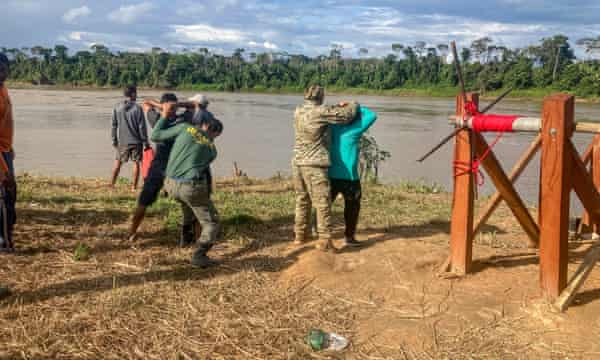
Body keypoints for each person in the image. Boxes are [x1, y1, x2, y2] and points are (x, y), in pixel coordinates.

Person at [127, 94, 216, 244]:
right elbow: (196, 106)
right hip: (180, 168)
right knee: (193, 203)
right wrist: (178, 104)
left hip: (159, 166)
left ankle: (132, 233)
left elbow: (146, 103)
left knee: (144, 201)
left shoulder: (156, 119)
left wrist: (164, 108)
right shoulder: (186, 120)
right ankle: (194, 238)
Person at [151, 99, 223, 267]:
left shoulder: (186, 128)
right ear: (215, 134)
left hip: (169, 184)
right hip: (188, 186)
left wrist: (164, 115)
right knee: (212, 222)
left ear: (204, 125)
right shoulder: (212, 150)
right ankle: (199, 255)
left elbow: (155, 136)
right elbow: (201, 169)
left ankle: (186, 240)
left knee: (187, 206)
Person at [293, 85, 358, 251]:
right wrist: (353, 104)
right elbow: (346, 116)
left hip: (298, 162)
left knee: (302, 200)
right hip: (314, 164)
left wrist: (334, 108)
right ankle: (325, 241)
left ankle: (300, 235)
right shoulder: (320, 111)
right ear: (321, 97)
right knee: (322, 203)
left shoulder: (298, 111)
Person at [329, 105, 378, 247]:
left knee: (324, 206)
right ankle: (349, 237)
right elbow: (372, 115)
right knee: (352, 208)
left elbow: (327, 113)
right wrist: (356, 106)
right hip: (350, 178)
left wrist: (337, 106)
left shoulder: (331, 128)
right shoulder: (354, 130)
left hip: (331, 175)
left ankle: (319, 232)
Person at [110, 85, 149, 190]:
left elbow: (114, 125)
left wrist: (114, 140)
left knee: (118, 162)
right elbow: (142, 128)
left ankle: (112, 185)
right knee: (136, 164)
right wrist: (146, 142)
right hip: (136, 142)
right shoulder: (138, 108)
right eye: (136, 93)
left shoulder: (117, 107)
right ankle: (133, 187)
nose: (137, 95)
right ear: (133, 94)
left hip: (123, 142)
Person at [0, 53, 16, 253]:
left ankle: (7, 237)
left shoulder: (3, 89)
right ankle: (3, 243)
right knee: (4, 199)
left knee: (10, 196)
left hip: (5, 150)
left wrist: (10, 148)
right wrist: (3, 169)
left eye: (4, 69)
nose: (2, 73)